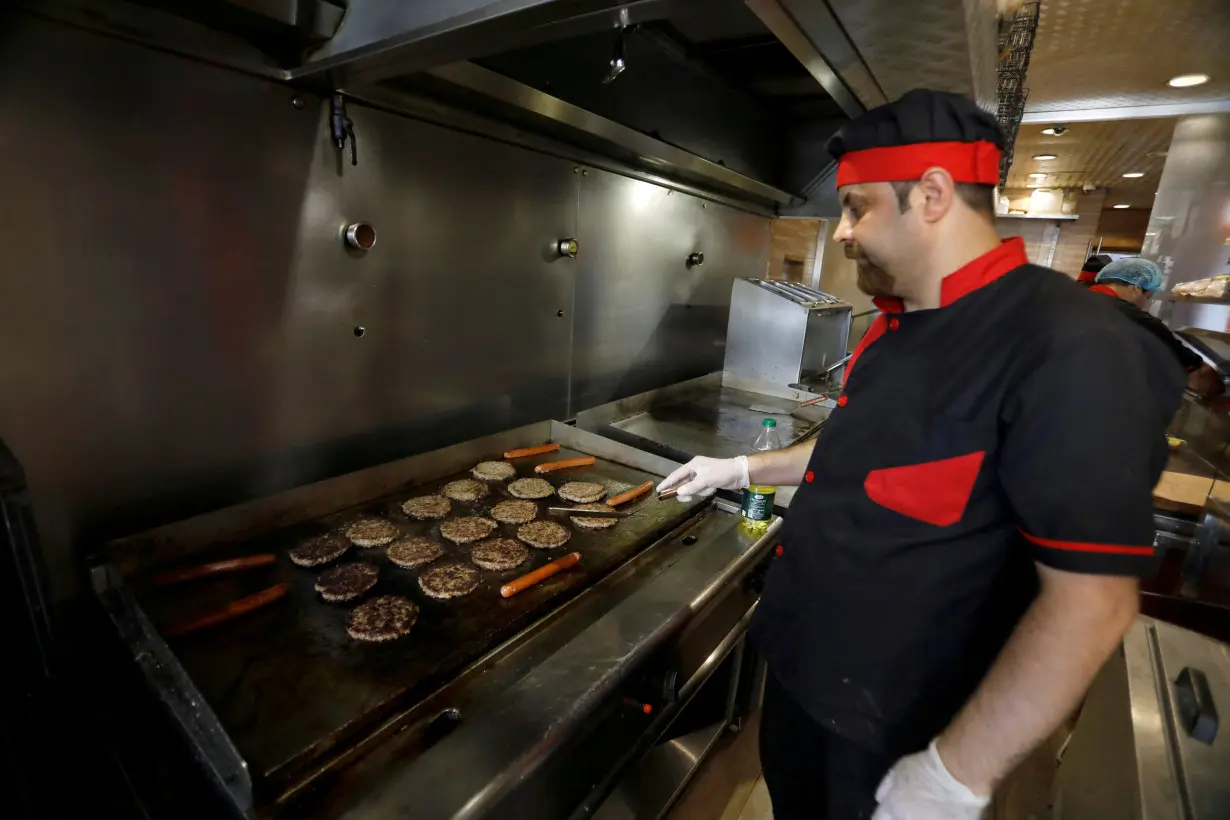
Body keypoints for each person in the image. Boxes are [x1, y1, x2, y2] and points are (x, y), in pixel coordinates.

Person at [657, 89, 1185, 819]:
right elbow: (853, 462)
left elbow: (1091, 601)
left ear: (932, 194)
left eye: (858, 206)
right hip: (804, 682)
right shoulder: (897, 325)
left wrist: (951, 776)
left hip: (904, 732)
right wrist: (742, 469)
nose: (841, 233)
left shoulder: (1070, 346)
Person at [1091, 258, 1224, 397]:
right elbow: (1198, 376)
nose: (1143, 305)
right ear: (1136, 288)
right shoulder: (1137, 319)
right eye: (1147, 297)